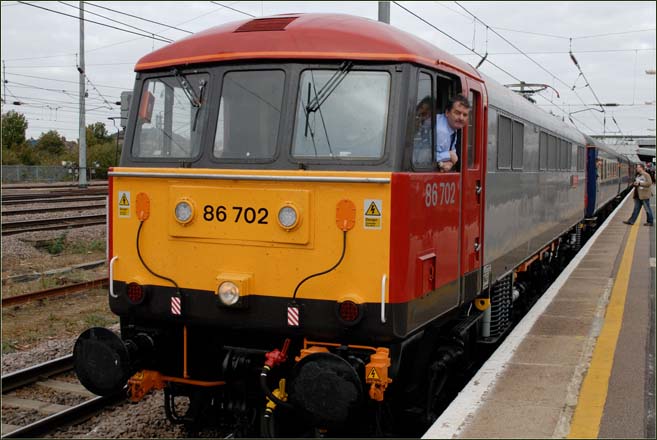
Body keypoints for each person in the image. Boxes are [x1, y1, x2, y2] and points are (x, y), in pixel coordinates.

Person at [435, 94, 470, 172]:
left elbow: (452, 153)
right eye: (457, 113)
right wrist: (449, 155)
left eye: (465, 115)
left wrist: (450, 162)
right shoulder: (440, 130)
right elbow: (423, 157)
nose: (461, 118)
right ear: (447, 112)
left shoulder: (452, 127)